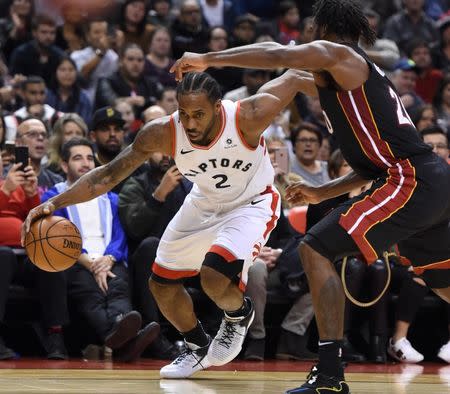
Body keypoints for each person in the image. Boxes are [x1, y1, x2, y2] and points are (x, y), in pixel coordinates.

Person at [170, 0, 450, 392]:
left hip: (411, 179)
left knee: (315, 248)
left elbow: (276, 53)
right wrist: (323, 190)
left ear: (322, 27)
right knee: (442, 280)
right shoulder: (346, 84)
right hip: (425, 181)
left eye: (311, 29)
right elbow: (369, 166)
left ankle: (330, 374)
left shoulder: (338, 54)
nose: (306, 37)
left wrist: (208, 58)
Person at [22, 69, 312, 378]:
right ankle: (197, 346)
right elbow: (106, 176)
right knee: (160, 285)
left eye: (198, 114)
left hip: (251, 203)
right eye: (183, 113)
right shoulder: (162, 132)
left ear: (217, 107)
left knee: (212, 276)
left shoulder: (248, 116)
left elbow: (294, 75)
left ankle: (239, 314)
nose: (190, 123)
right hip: (204, 202)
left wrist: (349, 105)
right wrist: (53, 203)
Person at [42, 138, 160, 362]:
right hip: (77, 261)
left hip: (109, 260)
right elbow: (58, 237)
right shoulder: (52, 198)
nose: (86, 163)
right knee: (90, 292)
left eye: (89, 158)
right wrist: (90, 264)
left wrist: (109, 258)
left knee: (118, 287)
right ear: (65, 165)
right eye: (78, 158)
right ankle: (123, 341)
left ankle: (120, 334)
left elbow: (119, 235)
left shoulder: (111, 198)